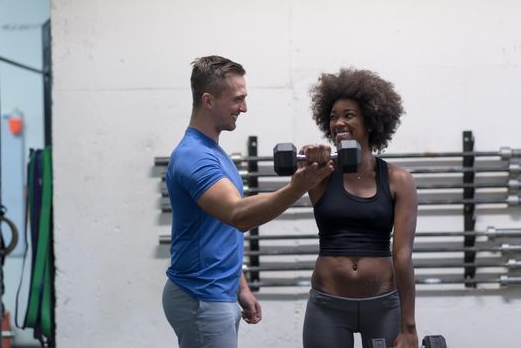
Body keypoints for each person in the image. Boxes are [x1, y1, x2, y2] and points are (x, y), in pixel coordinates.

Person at [162, 55, 334, 348]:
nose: (244, 107)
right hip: (202, 297)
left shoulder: (213, 152)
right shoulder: (195, 157)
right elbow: (237, 215)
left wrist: (240, 286)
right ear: (208, 100)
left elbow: (220, 230)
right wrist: (297, 188)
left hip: (216, 291)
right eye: (237, 99)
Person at [301, 68, 418, 348]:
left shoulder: (398, 180)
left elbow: (402, 256)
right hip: (327, 305)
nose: (338, 122)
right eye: (332, 116)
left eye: (348, 115)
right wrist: (310, 160)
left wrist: (409, 326)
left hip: (383, 305)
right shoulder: (319, 174)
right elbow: (292, 187)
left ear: (370, 122)